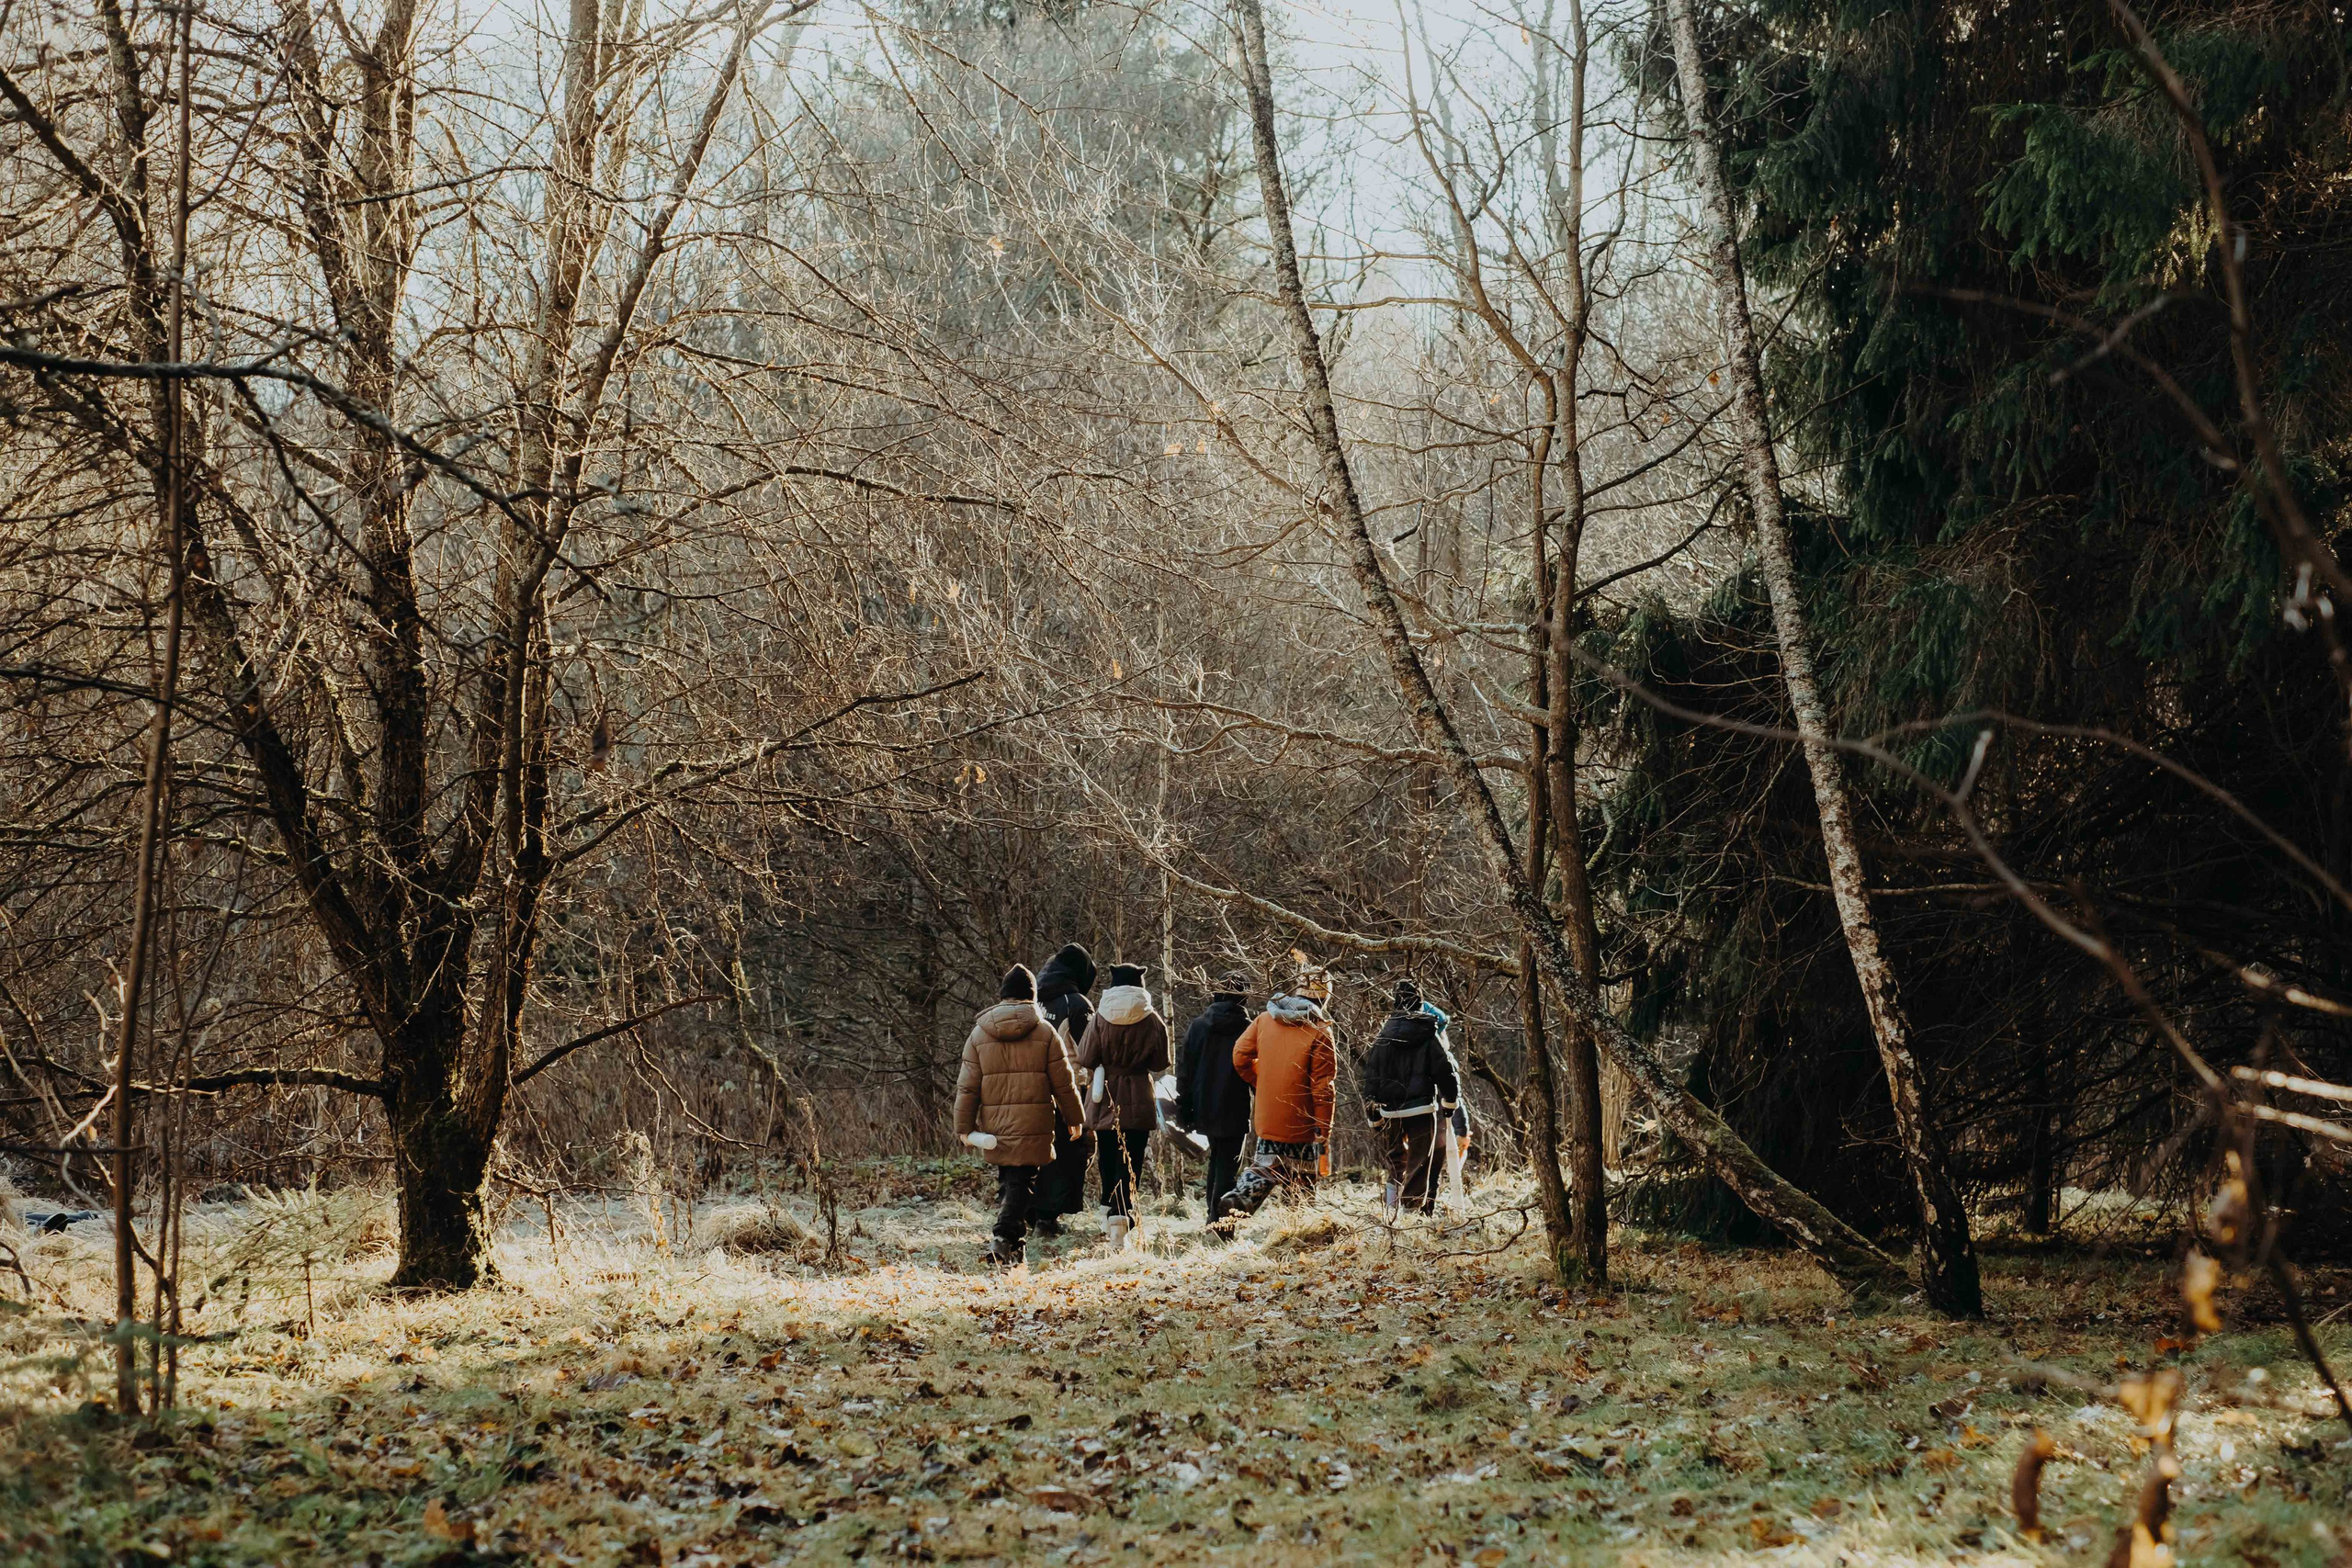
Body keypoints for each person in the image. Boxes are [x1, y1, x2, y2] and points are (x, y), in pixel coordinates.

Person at [954, 964, 1085, 1268]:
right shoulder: (1044, 1031)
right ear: (1032, 997)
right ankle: (1003, 1237)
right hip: (1034, 1121)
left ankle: (1013, 1247)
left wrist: (964, 1126)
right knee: (1021, 1181)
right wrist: (1074, 1117)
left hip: (995, 1124)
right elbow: (1063, 1081)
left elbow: (967, 1085)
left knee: (1011, 1180)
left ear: (1002, 996)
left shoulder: (979, 1033)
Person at [1218, 964, 1336, 1222]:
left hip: (1269, 1112)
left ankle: (1239, 1200)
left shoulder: (1264, 1019)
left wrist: (1262, 1081)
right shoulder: (1320, 1031)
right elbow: (1322, 1086)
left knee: (1266, 1165)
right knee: (1302, 1175)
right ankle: (1297, 1226)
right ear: (1324, 997)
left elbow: (1240, 1056)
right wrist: (1323, 1127)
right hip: (1303, 1118)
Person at [1075, 963, 1170, 1249]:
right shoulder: (1151, 1018)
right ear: (1139, 984)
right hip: (1139, 1093)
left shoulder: (1100, 1018)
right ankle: (1122, 1216)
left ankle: (1110, 1213)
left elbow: (1086, 1057)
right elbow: (1160, 1063)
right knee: (1132, 1160)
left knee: (1108, 1155)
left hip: (1106, 1094)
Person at [1361, 979, 1462, 1217]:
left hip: (1390, 1111)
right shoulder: (1428, 1034)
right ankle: (1410, 1213)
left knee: (1396, 1160)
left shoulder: (1383, 1037)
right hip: (1421, 1109)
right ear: (1420, 1002)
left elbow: (1371, 1077)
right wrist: (1450, 1103)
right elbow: (1445, 1070)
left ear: (1396, 1003)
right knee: (1419, 1162)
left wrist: (1373, 1117)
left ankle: (1390, 1211)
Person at [1027, 942, 1098, 1238]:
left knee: (1035, 1153)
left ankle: (1030, 1213)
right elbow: (1090, 1051)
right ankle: (1047, 1219)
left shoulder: (1030, 1002)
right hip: (1067, 1088)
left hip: (1029, 1088)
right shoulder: (1076, 1004)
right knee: (1069, 1154)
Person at [1175, 970, 1254, 1217]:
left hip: (1203, 1105)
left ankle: (1213, 1216)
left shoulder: (1199, 1026)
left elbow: (1185, 1070)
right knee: (1228, 1166)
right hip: (1235, 1104)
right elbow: (1256, 1070)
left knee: (1217, 1161)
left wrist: (1183, 1109)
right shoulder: (1249, 1028)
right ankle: (1219, 1224)